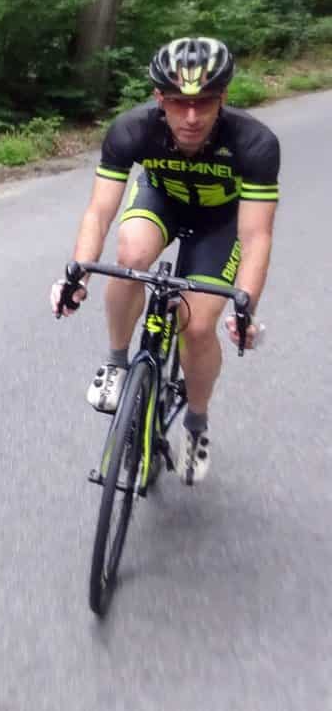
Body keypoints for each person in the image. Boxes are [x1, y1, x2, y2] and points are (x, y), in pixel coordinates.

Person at [50, 37, 279, 485]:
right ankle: (117, 362)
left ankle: (195, 423)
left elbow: (256, 235)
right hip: (162, 201)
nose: (191, 117)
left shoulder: (254, 142)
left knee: (196, 325)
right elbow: (99, 212)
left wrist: (246, 305)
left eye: (204, 102)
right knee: (130, 255)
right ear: (159, 98)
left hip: (220, 222)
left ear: (223, 98)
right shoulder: (132, 129)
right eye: (177, 102)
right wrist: (78, 274)